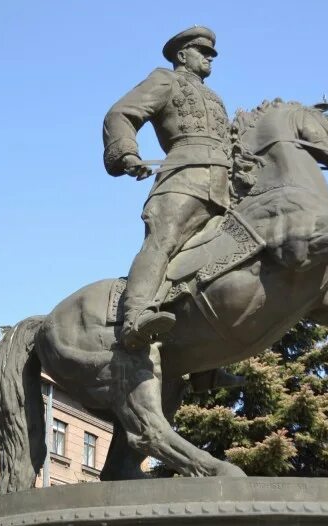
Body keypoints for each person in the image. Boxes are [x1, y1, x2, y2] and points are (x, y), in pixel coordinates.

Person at [103, 26, 232, 350]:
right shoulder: (165, 80)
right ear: (182, 54)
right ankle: (135, 319)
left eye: (211, 55)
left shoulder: (215, 98)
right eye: (203, 52)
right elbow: (121, 113)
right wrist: (127, 153)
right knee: (163, 242)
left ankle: (209, 353)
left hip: (224, 186)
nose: (209, 59)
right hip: (183, 177)